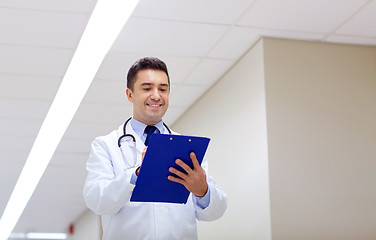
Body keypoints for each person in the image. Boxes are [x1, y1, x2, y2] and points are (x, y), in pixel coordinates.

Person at [83, 57, 227, 240]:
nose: (156, 95)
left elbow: (216, 211)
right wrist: (136, 174)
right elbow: (96, 200)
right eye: (147, 88)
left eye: (163, 89)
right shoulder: (106, 145)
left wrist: (203, 191)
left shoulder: (187, 147)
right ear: (130, 94)